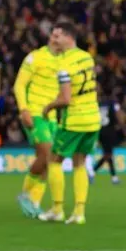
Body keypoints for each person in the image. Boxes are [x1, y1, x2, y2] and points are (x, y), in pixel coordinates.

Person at [37, 22, 100, 225]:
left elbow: (65, 99)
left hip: (74, 120)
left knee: (54, 160)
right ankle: (79, 213)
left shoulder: (64, 65)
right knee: (79, 162)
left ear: (69, 37)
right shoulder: (87, 57)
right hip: (93, 118)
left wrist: (48, 108)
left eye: (57, 36)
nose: (53, 40)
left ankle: (57, 209)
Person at [13, 28, 66, 217]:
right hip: (35, 114)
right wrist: (23, 109)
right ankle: (25, 195)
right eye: (54, 34)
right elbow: (19, 85)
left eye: (60, 35)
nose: (56, 38)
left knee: (46, 160)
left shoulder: (66, 61)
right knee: (48, 154)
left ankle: (33, 200)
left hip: (53, 118)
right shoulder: (35, 57)